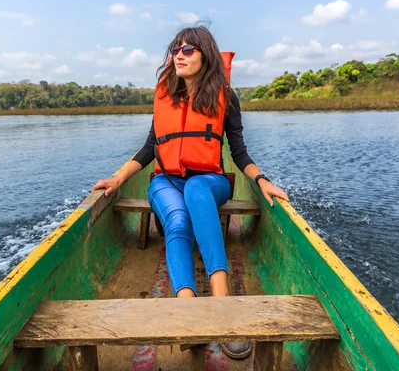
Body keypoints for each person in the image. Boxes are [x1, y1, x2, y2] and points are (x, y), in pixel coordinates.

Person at [92, 25, 289, 360]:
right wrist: (118, 178)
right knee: (178, 221)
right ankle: (188, 307)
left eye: (187, 50)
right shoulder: (164, 96)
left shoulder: (225, 97)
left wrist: (262, 180)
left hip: (210, 182)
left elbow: (239, 153)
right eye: (174, 49)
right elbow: (150, 148)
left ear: (205, 54)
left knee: (197, 188)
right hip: (166, 181)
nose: (178, 55)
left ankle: (222, 304)